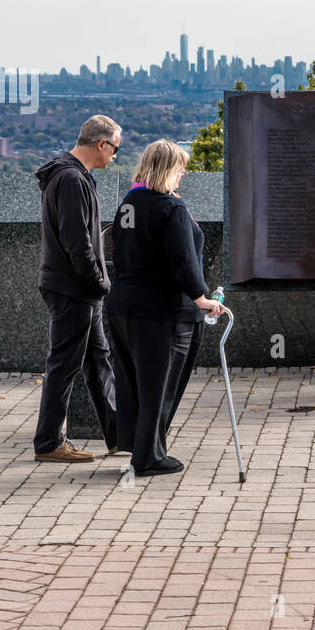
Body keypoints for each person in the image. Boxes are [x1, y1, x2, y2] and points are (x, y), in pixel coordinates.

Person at [106, 140, 223, 477]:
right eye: (180, 168)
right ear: (168, 169)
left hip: (123, 304)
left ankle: (136, 445)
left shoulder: (130, 202)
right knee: (160, 384)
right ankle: (148, 457)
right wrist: (202, 298)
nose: (183, 175)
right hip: (160, 310)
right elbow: (183, 259)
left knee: (133, 383)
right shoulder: (171, 209)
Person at [32, 114, 123, 463]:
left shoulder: (69, 175)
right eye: (114, 149)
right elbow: (78, 243)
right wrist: (99, 281)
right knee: (64, 364)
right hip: (75, 289)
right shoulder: (71, 180)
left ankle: (118, 435)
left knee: (98, 361)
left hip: (79, 289)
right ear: (101, 143)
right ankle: (49, 442)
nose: (114, 156)